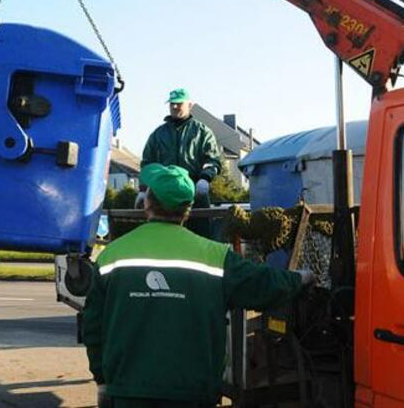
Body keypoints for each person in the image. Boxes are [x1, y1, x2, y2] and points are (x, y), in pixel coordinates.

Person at [82, 163, 313, 408]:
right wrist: (301, 278)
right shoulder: (217, 257)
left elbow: (93, 326)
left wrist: (103, 379)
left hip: (128, 391)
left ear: (147, 203)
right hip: (193, 392)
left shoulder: (112, 255)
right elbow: (265, 285)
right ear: (188, 210)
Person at [141, 88, 221, 237]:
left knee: (200, 237)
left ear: (190, 105)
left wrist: (205, 178)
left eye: (179, 103)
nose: (175, 107)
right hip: (163, 197)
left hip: (196, 196)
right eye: (172, 104)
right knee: (165, 238)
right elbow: (147, 164)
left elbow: (212, 159)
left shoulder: (202, 132)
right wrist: (142, 188)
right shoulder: (158, 135)